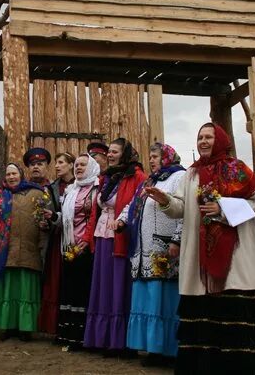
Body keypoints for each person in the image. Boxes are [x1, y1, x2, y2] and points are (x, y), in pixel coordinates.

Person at [145, 123, 255, 375]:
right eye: (200, 137)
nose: (203, 141)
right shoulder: (191, 174)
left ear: (220, 140)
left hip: (234, 256)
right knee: (201, 320)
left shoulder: (237, 170)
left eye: (209, 137)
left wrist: (222, 208)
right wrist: (166, 201)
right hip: (199, 259)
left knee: (232, 316)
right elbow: (180, 207)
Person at [117, 143, 185, 366]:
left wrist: (177, 238)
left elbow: (185, 211)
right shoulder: (150, 181)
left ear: (167, 157)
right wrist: (122, 220)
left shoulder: (179, 177)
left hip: (164, 249)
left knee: (163, 300)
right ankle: (152, 349)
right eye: (151, 156)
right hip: (143, 251)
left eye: (155, 156)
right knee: (147, 301)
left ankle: (167, 351)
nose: (152, 160)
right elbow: (132, 205)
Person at [84, 138, 146, 353]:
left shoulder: (136, 176)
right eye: (109, 152)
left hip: (120, 236)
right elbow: (98, 208)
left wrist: (123, 223)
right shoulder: (107, 178)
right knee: (103, 285)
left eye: (115, 152)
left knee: (118, 285)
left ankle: (120, 341)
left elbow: (137, 205)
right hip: (103, 235)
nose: (110, 155)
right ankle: (101, 338)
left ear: (125, 154)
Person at [0, 163, 47, 341]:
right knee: (7, 290)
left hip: (29, 251)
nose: (11, 177)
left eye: (14, 173)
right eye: (8, 174)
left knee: (25, 290)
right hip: (4, 253)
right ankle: (7, 327)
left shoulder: (37, 194)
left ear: (21, 175)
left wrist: (43, 246)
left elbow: (44, 223)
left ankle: (26, 329)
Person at [56, 154, 100, 349]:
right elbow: (66, 217)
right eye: (77, 165)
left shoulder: (97, 189)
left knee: (82, 291)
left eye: (83, 164)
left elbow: (96, 217)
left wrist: (86, 241)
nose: (79, 168)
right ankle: (67, 335)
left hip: (85, 247)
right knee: (68, 289)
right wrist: (53, 217)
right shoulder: (71, 189)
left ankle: (80, 337)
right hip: (68, 246)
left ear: (91, 167)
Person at [37, 151, 75, 336]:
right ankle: (53, 324)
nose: (57, 166)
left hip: (74, 238)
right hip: (56, 238)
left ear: (71, 165)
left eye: (61, 162)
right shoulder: (52, 188)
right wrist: (46, 221)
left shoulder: (78, 186)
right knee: (54, 279)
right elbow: (50, 211)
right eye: (57, 163)